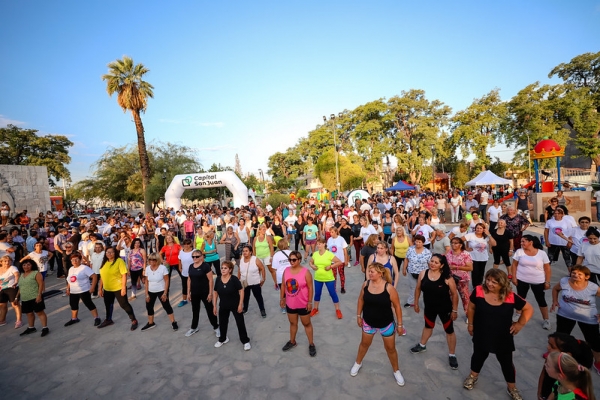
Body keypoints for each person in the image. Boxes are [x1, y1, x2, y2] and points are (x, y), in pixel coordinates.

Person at [463, 269, 534, 400]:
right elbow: (471, 307)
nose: (490, 284)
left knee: (506, 362)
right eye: (488, 280)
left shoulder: (510, 296)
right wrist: (470, 324)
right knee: (478, 356)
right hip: (481, 332)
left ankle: (512, 388)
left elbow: (528, 308)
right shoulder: (478, 291)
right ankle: (473, 376)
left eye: (494, 282)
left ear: (502, 283)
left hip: (503, 336)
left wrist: (519, 324)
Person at [351, 262, 405, 386]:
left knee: (390, 349)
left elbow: (397, 306)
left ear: (380, 274)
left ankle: (396, 371)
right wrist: (358, 315)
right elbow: (360, 300)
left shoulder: (389, 288)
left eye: (372, 272)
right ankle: (358, 363)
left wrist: (400, 325)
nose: (369, 273)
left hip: (386, 324)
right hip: (368, 322)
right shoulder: (365, 284)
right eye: (369, 271)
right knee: (364, 344)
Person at [411, 254, 460, 369]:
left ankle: (452, 355)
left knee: (449, 330)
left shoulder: (447, 278)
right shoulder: (423, 273)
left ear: (442, 265)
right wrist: (416, 303)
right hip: (429, 307)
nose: (432, 264)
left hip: (445, 309)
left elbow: (454, 294)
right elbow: (418, 288)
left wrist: (454, 310)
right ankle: (422, 345)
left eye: (436, 262)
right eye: (431, 261)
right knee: (428, 326)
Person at [551, 264, 600, 373]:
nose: (575, 275)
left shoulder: (593, 287)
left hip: (588, 318)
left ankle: (597, 362)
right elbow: (555, 289)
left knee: (594, 342)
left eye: (579, 274)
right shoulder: (564, 281)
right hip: (565, 315)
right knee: (561, 336)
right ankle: (558, 356)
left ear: (586, 276)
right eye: (573, 273)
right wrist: (555, 301)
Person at [280, 251, 316, 357]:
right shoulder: (286, 271)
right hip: (291, 303)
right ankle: (292, 341)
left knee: (306, 324)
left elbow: (310, 287)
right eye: (290, 259)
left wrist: (310, 302)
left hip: (303, 304)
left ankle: (311, 344)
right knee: (292, 323)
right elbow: (283, 285)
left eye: (294, 260)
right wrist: (282, 298)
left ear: (299, 260)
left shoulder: (306, 272)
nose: (291, 262)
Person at [512, 235, 552, 330]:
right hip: (522, 279)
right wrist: (514, 277)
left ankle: (546, 319)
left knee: (541, 300)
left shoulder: (542, 253)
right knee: (520, 298)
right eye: (521, 242)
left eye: (523, 242)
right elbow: (514, 265)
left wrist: (547, 281)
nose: (521, 244)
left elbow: (547, 268)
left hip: (538, 281)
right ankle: (518, 313)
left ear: (531, 242)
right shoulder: (519, 252)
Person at [538, 332, 594, 400]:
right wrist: (539, 393)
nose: (548, 347)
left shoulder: (575, 397)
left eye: (552, 346)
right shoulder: (559, 383)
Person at [97, 246, 138, 330]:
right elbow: (102, 276)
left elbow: (124, 275)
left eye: (111, 252)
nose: (109, 254)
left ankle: (133, 320)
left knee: (124, 304)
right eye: (107, 252)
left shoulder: (119, 261)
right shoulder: (104, 262)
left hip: (118, 288)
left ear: (115, 253)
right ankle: (108, 319)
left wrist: (123, 288)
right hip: (107, 288)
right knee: (108, 305)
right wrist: (100, 289)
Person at [213, 261, 251, 350]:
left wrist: (240, 304)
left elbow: (241, 291)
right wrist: (214, 305)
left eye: (225, 268)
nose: (223, 270)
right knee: (222, 323)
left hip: (235, 305)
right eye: (222, 268)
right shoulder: (218, 279)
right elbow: (215, 292)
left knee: (240, 323)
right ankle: (223, 339)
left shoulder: (234, 279)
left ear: (230, 270)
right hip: (223, 305)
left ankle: (245, 341)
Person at [185, 250, 219, 337]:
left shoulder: (206, 266)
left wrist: (210, 293)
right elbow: (189, 279)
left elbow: (211, 280)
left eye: (197, 256)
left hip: (205, 292)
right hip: (194, 292)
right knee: (195, 310)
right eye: (193, 257)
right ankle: (194, 327)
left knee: (209, 310)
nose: (195, 258)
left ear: (201, 257)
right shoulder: (191, 266)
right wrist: (188, 293)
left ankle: (216, 327)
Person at [142, 253, 178, 332]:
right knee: (149, 306)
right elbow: (146, 282)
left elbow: (167, 280)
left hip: (161, 290)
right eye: (150, 259)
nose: (151, 261)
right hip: (151, 290)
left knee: (166, 306)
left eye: (153, 260)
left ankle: (173, 322)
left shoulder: (162, 268)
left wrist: (165, 293)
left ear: (157, 260)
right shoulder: (147, 268)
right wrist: (146, 294)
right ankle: (151, 323)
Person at [309, 238, 344, 319]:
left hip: (329, 278)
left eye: (320, 244)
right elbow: (311, 262)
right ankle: (315, 308)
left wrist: (331, 266)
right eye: (317, 244)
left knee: (333, 294)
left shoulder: (329, 254)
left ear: (324, 244)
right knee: (317, 294)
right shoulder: (315, 254)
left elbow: (339, 262)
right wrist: (312, 266)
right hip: (318, 277)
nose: (318, 246)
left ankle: (338, 310)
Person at [64, 252, 100, 327]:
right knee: (73, 305)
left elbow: (94, 276)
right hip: (73, 291)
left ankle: (96, 318)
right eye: (73, 260)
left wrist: (92, 287)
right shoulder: (71, 269)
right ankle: (74, 318)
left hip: (84, 290)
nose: (74, 261)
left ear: (80, 260)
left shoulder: (84, 268)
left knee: (89, 304)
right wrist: (68, 289)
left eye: (76, 259)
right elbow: (69, 279)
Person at [16, 259, 49, 337]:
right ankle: (31, 328)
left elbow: (41, 284)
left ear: (32, 265)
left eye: (28, 265)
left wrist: (39, 295)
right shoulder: (21, 274)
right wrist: (16, 297)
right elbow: (21, 287)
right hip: (25, 298)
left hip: (35, 296)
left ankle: (45, 328)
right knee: (29, 313)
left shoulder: (36, 273)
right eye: (24, 265)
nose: (26, 266)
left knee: (39, 312)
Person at [402, 235, 432, 308]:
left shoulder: (427, 252)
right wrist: (404, 269)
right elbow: (406, 259)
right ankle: (410, 302)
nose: (418, 243)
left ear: (423, 243)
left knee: (425, 288)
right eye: (416, 241)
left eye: (419, 242)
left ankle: (428, 303)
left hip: (423, 273)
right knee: (413, 287)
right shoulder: (410, 249)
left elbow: (430, 263)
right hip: (412, 272)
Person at [446, 238, 473, 316]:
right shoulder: (449, 253)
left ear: (461, 245)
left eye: (456, 243)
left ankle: (469, 315)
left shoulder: (465, 254)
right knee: (450, 297)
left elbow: (470, 268)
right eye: (452, 243)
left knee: (465, 298)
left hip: (462, 280)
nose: (453, 245)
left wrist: (456, 267)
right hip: (450, 279)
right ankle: (452, 312)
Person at [464, 223, 496, 288]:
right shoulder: (470, 235)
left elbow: (494, 244)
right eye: (477, 228)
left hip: (483, 258)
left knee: (481, 273)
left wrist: (489, 234)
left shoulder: (486, 237)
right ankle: (475, 287)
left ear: (483, 229)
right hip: (473, 258)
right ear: (475, 229)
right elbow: (459, 240)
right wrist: (465, 248)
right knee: (475, 273)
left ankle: (479, 286)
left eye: (480, 228)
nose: (479, 229)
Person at [238, 245, 266, 317]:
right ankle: (245, 308)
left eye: (246, 251)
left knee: (258, 296)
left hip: (255, 282)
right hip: (244, 282)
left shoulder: (255, 259)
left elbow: (262, 268)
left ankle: (262, 310)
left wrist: (263, 278)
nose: (244, 253)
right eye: (243, 251)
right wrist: (238, 279)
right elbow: (239, 269)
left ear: (250, 252)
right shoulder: (241, 259)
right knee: (245, 297)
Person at [0, 255, 22, 328]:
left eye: (9, 261)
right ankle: (2, 320)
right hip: (1, 290)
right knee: (2, 305)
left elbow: (17, 274)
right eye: (5, 261)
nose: (7, 262)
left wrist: (16, 281)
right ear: (1, 262)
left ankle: (19, 321)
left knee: (15, 304)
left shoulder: (13, 268)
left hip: (12, 287)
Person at [272, 239, 292, 313]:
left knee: (283, 292)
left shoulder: (276, 255)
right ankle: (292, 306)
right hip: (291, 275)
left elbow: (274, 269)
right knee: (292, 291)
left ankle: (284, 307)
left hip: (281, 277)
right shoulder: (291, 253)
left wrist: (275, 281)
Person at [253, 224, 276, 289]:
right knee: (258, 270)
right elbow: (254, 249)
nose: (264, 230)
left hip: (267, 255)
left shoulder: (268, 237)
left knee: (271, 270)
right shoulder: (255, 239)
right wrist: (254, 258)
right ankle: (257, 283)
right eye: (263, 229)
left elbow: (271, 248)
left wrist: (271, 257)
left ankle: (276, 283)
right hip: (258, 256)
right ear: (259, 230)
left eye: (265, 229)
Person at [327, 227, 349, 294]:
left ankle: (342, 287)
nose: (331, 234)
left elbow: (345, 250)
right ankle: (334, 288)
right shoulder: (329, 240)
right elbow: (328, 250)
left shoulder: (341, 239)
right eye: (330, 232)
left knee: (341, 274)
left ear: (336, 232)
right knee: (333, 275)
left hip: (340, 260)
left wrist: (346, 260)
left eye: (332, 232)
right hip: (332, 261)